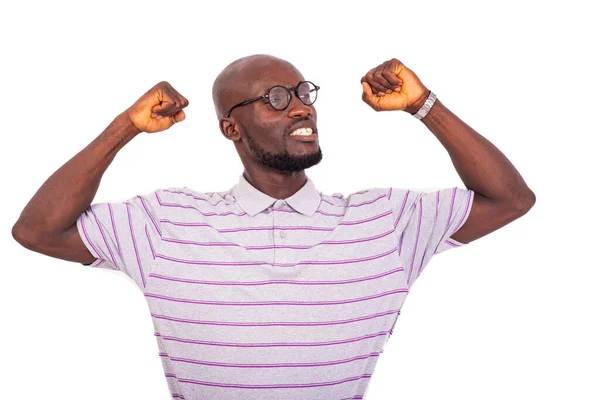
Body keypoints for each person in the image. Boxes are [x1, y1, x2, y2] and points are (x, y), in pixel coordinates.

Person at [12, 54, 535, 400]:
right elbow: (38, 231)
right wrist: (125, 126)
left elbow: (510, 198)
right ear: (231, 127)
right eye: (276, 98)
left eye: (302, 91)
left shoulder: (385, 221)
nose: (301, 105)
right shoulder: (167, 221)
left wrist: (424, 105)